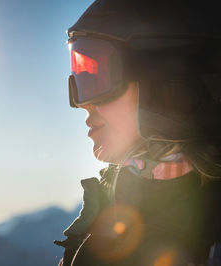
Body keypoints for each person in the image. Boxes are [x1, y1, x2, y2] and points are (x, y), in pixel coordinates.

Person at [55, 0, 221, 265]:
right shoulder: (108, 210)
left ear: (170, 86)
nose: (80, 102)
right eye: (79, 75)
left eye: (96, 76)